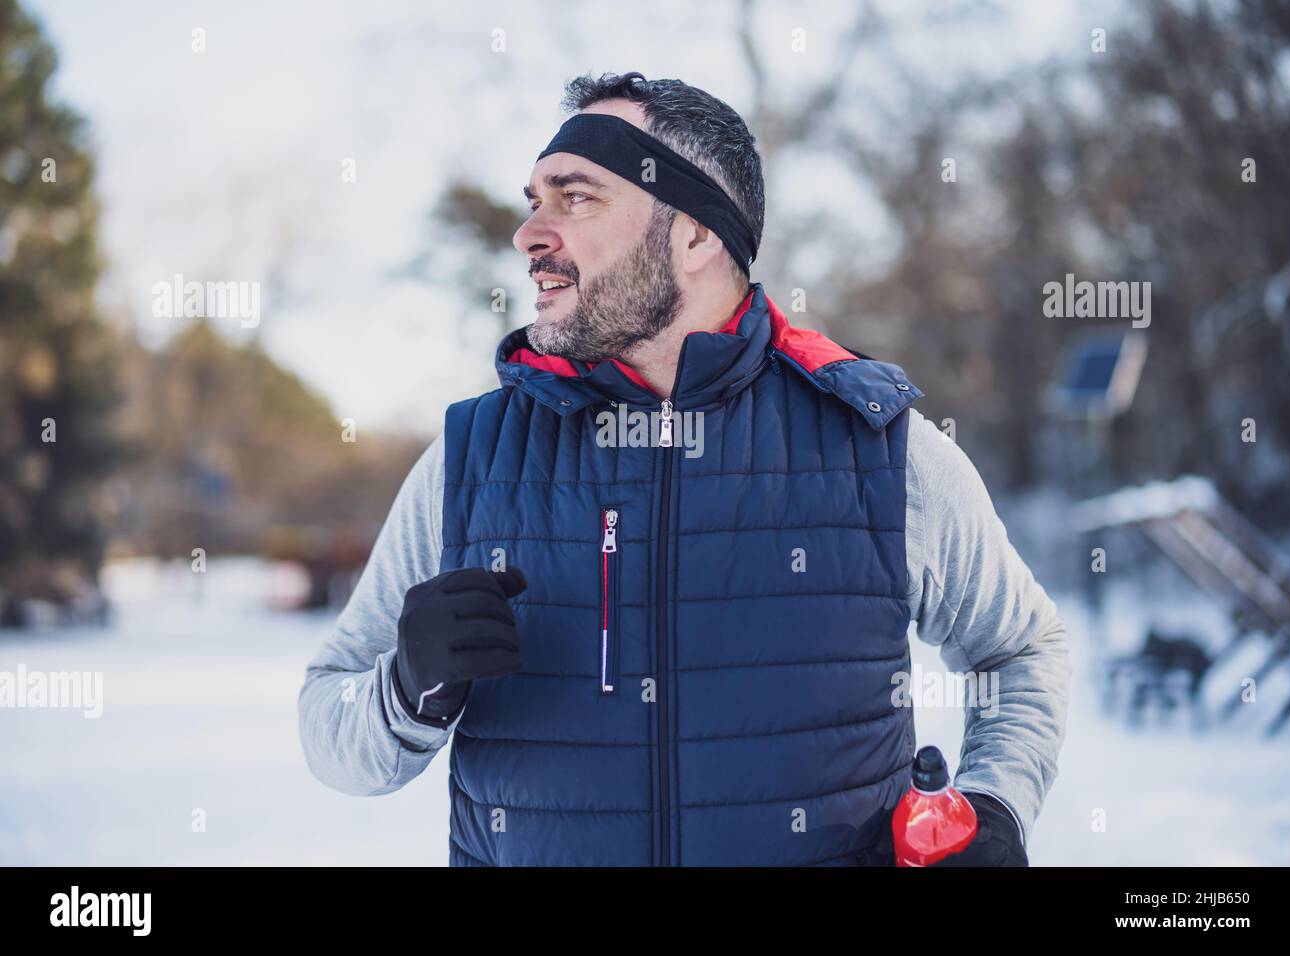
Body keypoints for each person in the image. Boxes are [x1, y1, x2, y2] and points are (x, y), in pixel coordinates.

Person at [298, 71, 1070, 867]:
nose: (530, 232)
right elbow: (331, 725)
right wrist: (401, 691)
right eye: (534, 200)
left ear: (696, 234)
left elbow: (1020, 650)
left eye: (576, 198)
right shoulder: (471, 458)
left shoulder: (879, 448)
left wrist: (996, 806)